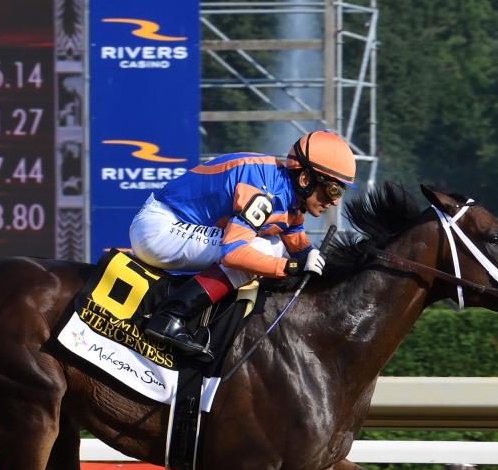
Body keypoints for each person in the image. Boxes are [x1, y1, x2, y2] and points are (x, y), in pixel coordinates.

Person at [130, 130, 356, 359]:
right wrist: (292, 268)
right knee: (263, 249)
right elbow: (234, 254)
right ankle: (171, 316)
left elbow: (298, 244)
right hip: (159, 229)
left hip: (173, 226)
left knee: (275, 246)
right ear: (306, 179)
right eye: (333, 189)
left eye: (341, 190)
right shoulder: (265, 193)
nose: (335, 201)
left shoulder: (288, 196)